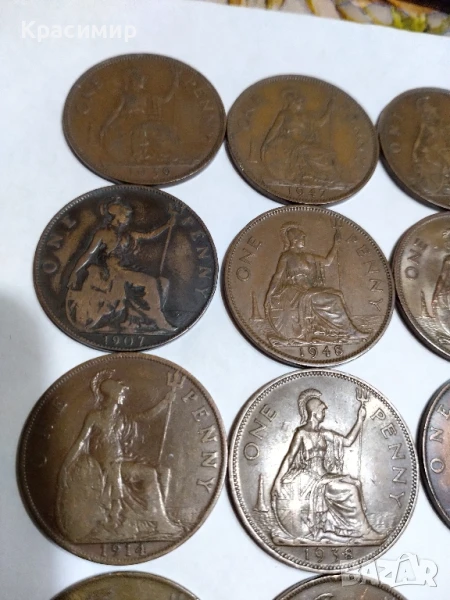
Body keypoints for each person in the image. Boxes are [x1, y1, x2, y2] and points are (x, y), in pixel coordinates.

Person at [56, 370, 184, 542]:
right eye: (121, 392)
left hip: (120, 461)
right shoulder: (95, 417)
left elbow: (145, 417)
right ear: (112, 395)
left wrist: (164, 402)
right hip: (106, 465)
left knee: (164, 472)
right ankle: (160, 522)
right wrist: (66, 466)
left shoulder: (121, 417)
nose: (123, 395)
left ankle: (151, 519)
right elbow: (81, 442)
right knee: (149, 474)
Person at [271, 388, 384, 545]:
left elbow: (347, 442)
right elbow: (290, 457)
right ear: (314, 413)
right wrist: (277, 480)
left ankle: (350, 529)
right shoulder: (301, 433)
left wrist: (360, 419)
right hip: (312, 480)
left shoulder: (324, 433)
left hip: (325, 476)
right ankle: (363, 531)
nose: (324, 412)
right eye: (322, 410)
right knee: (350, 489)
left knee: (356, 483)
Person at [66, 197, 176, 333]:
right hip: (114, 271)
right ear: (117, 215)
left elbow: (149, 235)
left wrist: (167, 226)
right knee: (150, 282)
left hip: (128, 268)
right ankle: (159, 320)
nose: (128, 218)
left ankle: (137, 320)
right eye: (126, 215)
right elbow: (88, 254)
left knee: (163, 283)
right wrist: (75, 272)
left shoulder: (129, 234)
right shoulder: (103, 233)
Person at [265, 222, 366, 343]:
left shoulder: (307, 256)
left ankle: (348, 330)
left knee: (338, 293)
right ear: (295, 240)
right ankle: (350, 332)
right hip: (296, 293)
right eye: (302, 238)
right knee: (334, 299)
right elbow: (277, 276)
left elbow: (327, 262)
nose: (304, 240)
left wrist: (336, 245)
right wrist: (269, 294)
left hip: (308, 290)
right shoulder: (286, 256)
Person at [260, 91, 337, 185]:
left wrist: (329, 109)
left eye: (301, 102)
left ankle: (324, 176)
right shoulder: (284, 114)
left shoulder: (305, 116)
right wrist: (266, 143)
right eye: (299, 102)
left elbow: (320, 123)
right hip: (289, 143)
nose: (301, 104)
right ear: (293, 103)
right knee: (311, 152)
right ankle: (308, 175)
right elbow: (275, 129)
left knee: (323, 152)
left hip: (305, 142)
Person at [431, 228, 450, 335]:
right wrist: (436, 296)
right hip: (445, 296)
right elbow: (442, 279)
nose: (447, 244)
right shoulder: (447, 260)